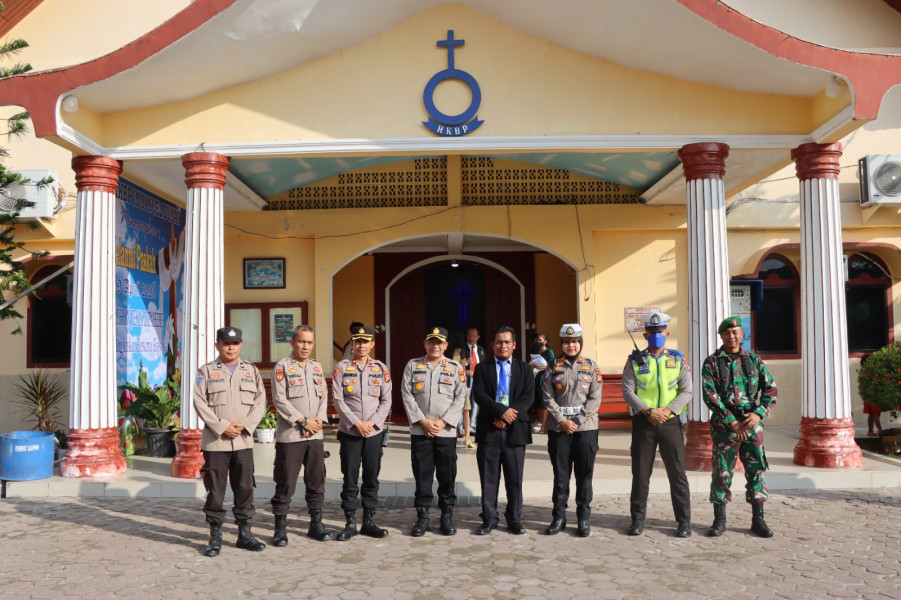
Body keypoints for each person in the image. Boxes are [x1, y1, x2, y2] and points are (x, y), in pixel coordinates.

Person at [193, 326, 267, 557]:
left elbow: (260, 401)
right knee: (215, 490)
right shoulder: (205, 371)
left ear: (241, 345)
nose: (231, 347)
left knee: (245, 488)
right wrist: (223, 426)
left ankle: (245, 535)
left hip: (243, 441)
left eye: (235, 343)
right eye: (226, 343)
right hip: (217, 441)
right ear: (217, 345)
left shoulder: (251, 370)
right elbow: (199, 402)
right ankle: (215, 537)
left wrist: (244, 425)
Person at [702, 316, 778, 538]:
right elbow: (710, 395)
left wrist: (758, 413)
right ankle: (719, 520)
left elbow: (771, 390)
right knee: (721, 473)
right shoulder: (712, 362)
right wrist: (731, 421)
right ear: (721, 336)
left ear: (742, 334)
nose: (731, 336)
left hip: (751, 425)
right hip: (726, 427)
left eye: (735, 332)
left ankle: (758, 519)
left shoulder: (754, 361)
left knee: (756, 472)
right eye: (727, 333)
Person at [621, 312, 692, 538]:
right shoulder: (634, 360)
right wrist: (649, 411)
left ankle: (683, 522)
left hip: (670, 423)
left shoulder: (678, 359)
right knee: (641, 474)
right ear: (645, 335)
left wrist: (667, 411)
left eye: (660, 332)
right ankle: (637, 520)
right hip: (644, 422)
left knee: (677, 474)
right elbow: (628, 390)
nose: (656, 336)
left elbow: (687, 390)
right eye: (652, 332)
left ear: (667, 333)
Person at [400, 326, 468, 536]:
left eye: (439, 342)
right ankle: (423, 518)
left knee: (447, 476)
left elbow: (460, 397)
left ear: (446, 345)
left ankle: (446, 517)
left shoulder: (456, 368)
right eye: (431, 342)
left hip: (445, 432)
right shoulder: (413, 366)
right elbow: (407, 394)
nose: (435, 346)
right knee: (422, 476)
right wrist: (423, 421)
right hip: (421, 432)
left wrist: (443, 422)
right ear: (425, 344)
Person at [269, 325, 330, 545]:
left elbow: (324, 396)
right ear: (292, 342)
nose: (306, 346)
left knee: (317, 480)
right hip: (292, 435)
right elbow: (279, 399)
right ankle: (280, 529)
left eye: (309, 342)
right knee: (285, 482)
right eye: (302, 341)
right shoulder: (282, 367)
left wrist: (317, 422)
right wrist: (303, 421)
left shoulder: (316, 367)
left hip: (315, 435)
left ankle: (316, 525)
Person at [471, 325, 534, 535]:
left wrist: (508, 416)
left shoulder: (525, 370)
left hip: (515, 432)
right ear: (492, 344)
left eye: (507, 341)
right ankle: (489, 518)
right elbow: (480, 395)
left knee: (514, 478)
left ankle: (515, 518)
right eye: (499, 341)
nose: (503, 345)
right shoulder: (482, 368)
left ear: (514, 345)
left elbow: (528, 397)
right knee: (489, 478)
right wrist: (500, 412)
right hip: (489, 429)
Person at [331, 325, 392, 541]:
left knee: (371, 477)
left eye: (366, 341)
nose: (361, 345)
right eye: (357, 341)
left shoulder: (381, 369)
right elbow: (338, 400)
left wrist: (373, 423)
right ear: (352, 344)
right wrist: (357, 423)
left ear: (372, 344)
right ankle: (350, 523)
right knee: (350, 477)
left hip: (373, 432)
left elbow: (386, 400)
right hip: (350, 431)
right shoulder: (342, 368)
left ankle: (369, 521)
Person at [541, 323, 602, 537]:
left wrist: (576, 420)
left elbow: (595, 398)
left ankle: (583, 519)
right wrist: (561, 420)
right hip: (559, 429)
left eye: (575, 341)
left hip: (585, 429)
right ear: (562, 344)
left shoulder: (592, 367)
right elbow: (547, 397)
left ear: (580, 343)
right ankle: (559, 517)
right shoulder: (552, 367)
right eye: (566, 342)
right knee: (561, 475)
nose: (571, 345)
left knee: (584, 475)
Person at [454, 327, 487, 448]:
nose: (471, 338)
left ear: (478, 337)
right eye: (469, 336)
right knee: (464, 404)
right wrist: (467, 364)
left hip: (478, 379)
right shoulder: (462, 349)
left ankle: (472, 426)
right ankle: (461, 428)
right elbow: (457, 363)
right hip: (466, 380)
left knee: (476, 402)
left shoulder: (482, 350)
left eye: (474, 336)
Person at [530, 332, 555, 433]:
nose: (538, 342)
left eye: (540, 340)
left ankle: (544, 425)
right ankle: (540, 420)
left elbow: (552, 365)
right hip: (537, 377)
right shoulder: (537, 352)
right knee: (538, 399)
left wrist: (539, 367)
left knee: (544, 400)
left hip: (545, 377)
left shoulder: (549, 351)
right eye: (537, 340)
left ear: (546, 341)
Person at [860, 353, 883, 436]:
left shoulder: (864, 370)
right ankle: (880, 430)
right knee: (876, 413)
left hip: (868, 394)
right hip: (873, 394)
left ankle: (870, 431)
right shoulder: (870, 371)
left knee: (872, 413)